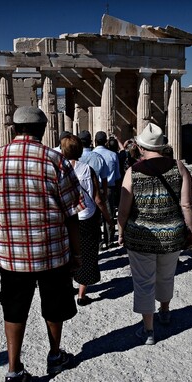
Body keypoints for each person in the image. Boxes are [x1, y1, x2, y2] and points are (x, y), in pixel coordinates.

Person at [0, 106, 82, 382]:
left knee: (14, 309)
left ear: (13, 128)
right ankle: (56, 355)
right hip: (52, 252)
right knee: (54, 305)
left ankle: (13, 369)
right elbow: (72, 213)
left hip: (11, 254)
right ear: (44, 129)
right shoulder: (56, 160)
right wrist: (76, 253)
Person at [117, 123, 192, 345]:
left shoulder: (132, 172)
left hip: (140, 236)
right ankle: (165, 310)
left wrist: (120, 231)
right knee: (166, 274)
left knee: (144, 282)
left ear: (141, 148)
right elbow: (187, 204)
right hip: (171, 234)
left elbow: (123, 210)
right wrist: (191, 231)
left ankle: (149, 330)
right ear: (162, 147)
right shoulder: (178, 167)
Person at [60, 135, 114, 306]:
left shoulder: (58, 169)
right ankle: (81, 295)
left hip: (66, 217)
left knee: (66, 253)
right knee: (87, 254)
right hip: (87, 216)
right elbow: (98, 198)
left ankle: (67, 288)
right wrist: (109, 218)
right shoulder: (86, 169)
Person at [78, 130, 109, 248]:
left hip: (79, 194)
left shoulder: (76, 158)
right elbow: (104, 177)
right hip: (96, 192)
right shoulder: (98, 157)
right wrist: (105, 193)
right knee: (95, 222)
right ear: (91, 141)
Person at [93, 131, 121, 248]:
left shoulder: (91, 154)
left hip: (94, 187)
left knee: (96, 214)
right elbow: (118, 175)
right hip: (109, 187)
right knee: (108, 214)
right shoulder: (113, 155)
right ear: (106, 142)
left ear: (95, 141)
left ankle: (99, 240)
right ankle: (109, 239)